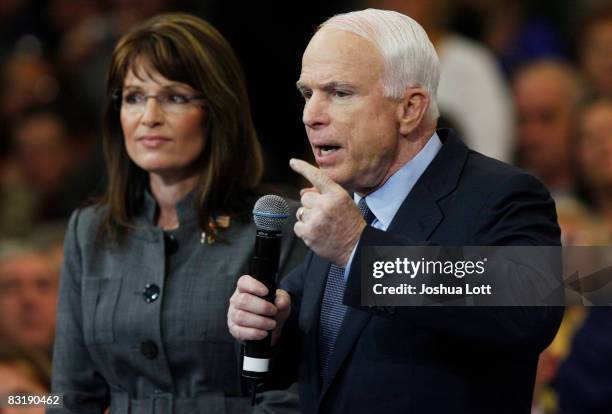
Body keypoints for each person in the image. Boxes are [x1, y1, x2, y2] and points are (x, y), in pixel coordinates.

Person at [228, 9, 563, 413]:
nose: (310, 115)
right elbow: (329, 367)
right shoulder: (341, 211)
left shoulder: (503, 194)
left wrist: (359, 250)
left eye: (339, 92)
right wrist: (272, 329)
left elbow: (530, 309)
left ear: (410, 108)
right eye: (307, 93)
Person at [50, 13, 306, 414]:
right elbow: (69, 397)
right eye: (133, 97)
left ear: (216, 108)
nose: (149, 116)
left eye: (173, 97)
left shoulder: (277, 226)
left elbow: (293, 390)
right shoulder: (89, 230)